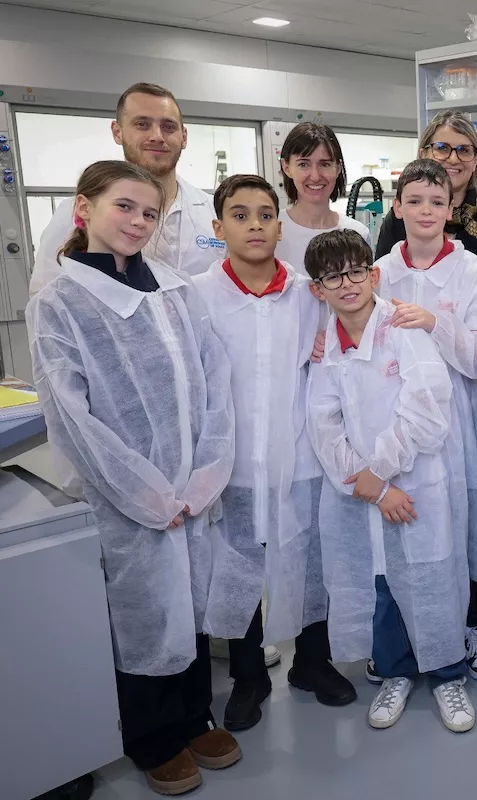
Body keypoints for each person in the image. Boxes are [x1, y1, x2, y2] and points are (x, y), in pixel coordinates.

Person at [27, 160, 239, 795]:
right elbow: (72, 417)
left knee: (191, 602)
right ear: (84, 208)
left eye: (149, 212)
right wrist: (146, 493)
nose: (138, 221)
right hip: (129, 497)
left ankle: (196, 715)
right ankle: (152, 737)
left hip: (192, 490)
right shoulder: (60, 304)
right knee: (143, 613)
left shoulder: (175, 290)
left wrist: (205, 476)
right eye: (124, 206)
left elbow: (216, 383)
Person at [191, 175, 356, 733]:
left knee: (310, 561)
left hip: (301, 454)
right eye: (240, 216)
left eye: (265, 215)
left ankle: (313, 663)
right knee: (238, 568)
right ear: (219, 228)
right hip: (233, 459)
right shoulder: (198, 295)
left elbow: (336, 353)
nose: (255, 225)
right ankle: (249, 677)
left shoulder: (309, 294)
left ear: (279, 227)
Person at [304, 230, 475, 735]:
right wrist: (373, 487)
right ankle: (395, 672)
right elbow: (322, 422)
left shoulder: (402, 329)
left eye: (356, 271)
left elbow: (427, 410)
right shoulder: (328, 348)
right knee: (379, 583)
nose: (347, 284)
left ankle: (447, 676)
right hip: (364, 492)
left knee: (432, 579)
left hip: (416, 483)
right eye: (333, 277)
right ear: (317, 289)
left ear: (373, 274)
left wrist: (379, 473)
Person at [373, 159, 477, 684]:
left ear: (452, 210)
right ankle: (402, 637)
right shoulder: (380, 272)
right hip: (396, 426)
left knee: (458, 525)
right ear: (397, 207)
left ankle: (466, 628)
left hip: (455, 427)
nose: (425, 211)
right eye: (414, 201)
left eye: (436, 201)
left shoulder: (473, 273)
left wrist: (435, 323)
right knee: (404, 529)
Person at [29, 82, 224, 294]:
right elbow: (46, 296)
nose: (157, 136)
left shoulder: (215, 210)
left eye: (168, 127)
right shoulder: (77, 211)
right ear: (117, 132)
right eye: (142, 124)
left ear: (184, 137)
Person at [374, 111, 477, 308]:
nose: (453, 159)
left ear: (475, 161)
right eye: (442, 148)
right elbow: (381, 286)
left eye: (464, 150)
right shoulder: (400, 219)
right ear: (423, 155)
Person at [275, 122, 372, 268]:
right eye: (303, 164)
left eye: (325, 164)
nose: (315, 176)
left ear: (338, 168)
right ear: (286, 167)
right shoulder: (271, 231)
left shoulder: (358, 233)